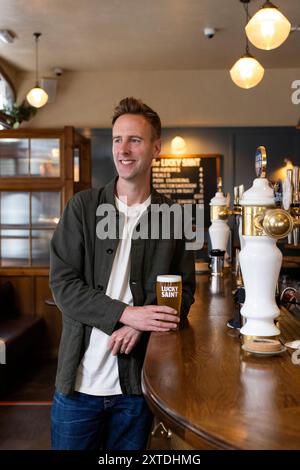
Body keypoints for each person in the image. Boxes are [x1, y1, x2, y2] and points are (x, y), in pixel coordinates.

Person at [50, 97, 195, 451]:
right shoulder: (83, 207)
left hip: (136, 388)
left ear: (156, 148)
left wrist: (137, 325)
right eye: (117, 140)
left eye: (135, 140)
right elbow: (63, 286)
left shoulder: (172, 215)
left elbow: (184, 291)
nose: (124, 150)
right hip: (78, 386)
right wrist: (126, 314)